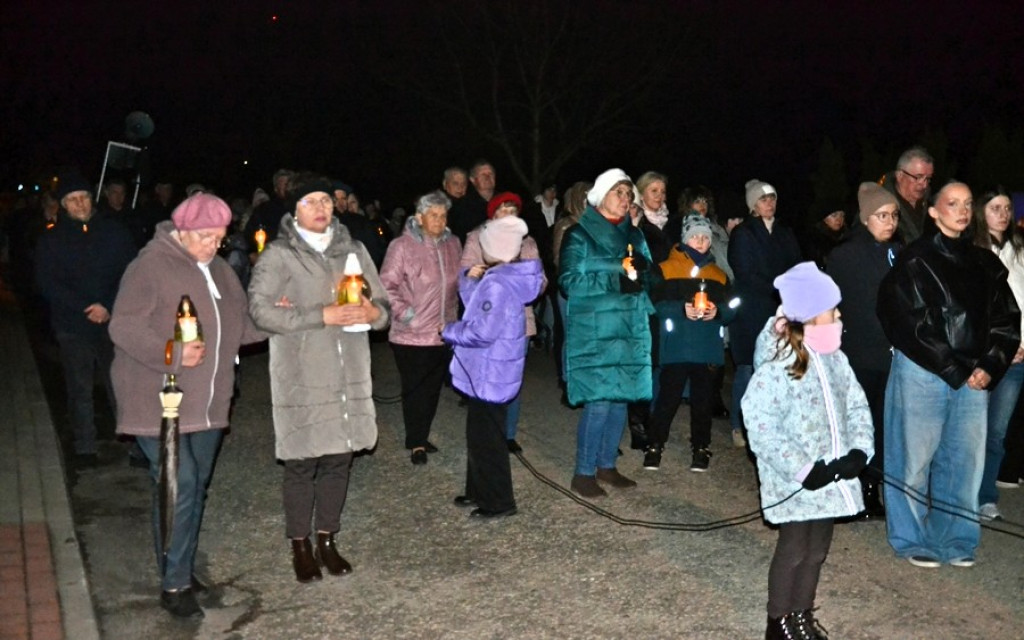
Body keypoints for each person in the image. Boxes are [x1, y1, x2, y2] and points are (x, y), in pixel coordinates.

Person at [109, 193, 265, 618]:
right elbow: (122, 326)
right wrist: (171, 353)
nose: (213, 245)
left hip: (209, 403)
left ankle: (178, 565)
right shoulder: (150, 265)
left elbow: (240, 329)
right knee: (182, 486)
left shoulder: (218, 271)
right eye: (204, 237)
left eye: (219, 238)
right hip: (160, 400)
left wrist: (277, 320)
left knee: (191, 490)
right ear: (181, 231)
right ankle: (174, 584)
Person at [248, 174, 390, 583]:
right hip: (303, 374)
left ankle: (327, 539)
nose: (321, 208)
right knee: (301, 462)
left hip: (348, 374)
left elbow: (382, 305)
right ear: (295, 211)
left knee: (339, 460)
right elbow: (258, 311)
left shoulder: (355, 250)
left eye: (326, 201)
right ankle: (300, 545)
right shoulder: (279, 255)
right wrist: (321, 315)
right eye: (311, 202)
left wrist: (372, 313)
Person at [878, 181, 1019, 568]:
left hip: (974, 376)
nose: (961, 210)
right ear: (934, 211)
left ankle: (955, 537)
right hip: (925, 372)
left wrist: (990, 366)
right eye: (951, 203)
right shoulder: (914, 260)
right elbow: (909, 322)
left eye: (968, 203)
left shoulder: (986, 264)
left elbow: (1006, 321)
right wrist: (956, 369)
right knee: (913, 458)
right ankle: (910, 537)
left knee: (964, 462)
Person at [742, 262, 873, 640]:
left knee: (817, 550)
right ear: (812, 316)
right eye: (833, 309)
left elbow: (857, 406)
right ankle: (778, 619)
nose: (840, 315)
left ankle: (801, 614)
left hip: (832, 478)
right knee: (795, 549)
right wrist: (800, 468)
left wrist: (860, 451)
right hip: (798, 481)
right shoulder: (779, 365)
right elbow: (760, 420)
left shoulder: (837, 360)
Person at [560, 169, 653, 497]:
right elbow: (569, 282)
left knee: (620, 401)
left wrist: (644, 277)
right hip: (596, 329)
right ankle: (583, 472)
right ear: (600, 197)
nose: (626, 199)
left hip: (628, 327)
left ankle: (607, 465)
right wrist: (616, 277)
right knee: (599, 402)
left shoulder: (637, 237)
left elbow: (650, 280)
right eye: (619, 193)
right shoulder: (580, 235)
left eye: (629, 194)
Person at [444, 215, 544, 518]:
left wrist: (448, 330)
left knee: (488, 441)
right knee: (478, 435)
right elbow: (479, 307)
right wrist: (470, 280)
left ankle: (498, 501)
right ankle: (478, 491)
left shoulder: (499, 284)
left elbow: (481, 331)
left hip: (490, 374)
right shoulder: (503, 279)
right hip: (490, 372)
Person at [34, 171, 136, 467]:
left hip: (112, 322)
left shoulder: (114, 231)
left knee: (120, 384)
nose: (79, 204)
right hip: (72, 324)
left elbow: (130, 271)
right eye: (72, 200)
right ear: (64, 205)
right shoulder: (51, 239)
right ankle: (85, 446)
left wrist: (106, 304)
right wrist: (85, 306)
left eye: (83, 198)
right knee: (79, 387)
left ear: (92, 199)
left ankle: (133, 443)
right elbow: (47, 282)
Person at [826, 182, 901, 518]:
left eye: (894, 215)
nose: (889, 222)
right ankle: (846, 489)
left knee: (882, 425)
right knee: (854, 422)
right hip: (857, 352)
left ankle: (873, 489)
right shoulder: (845, 253)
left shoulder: (898, 252)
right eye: (881, 215)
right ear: (866, 218)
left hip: (890, 355)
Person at [643, 213, 736, 471]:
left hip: (707, 348)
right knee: (668, 398)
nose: (700, 241)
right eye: (695, 235)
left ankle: (701, 447)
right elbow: (654, 304)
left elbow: (734, 305)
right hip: (676, 346)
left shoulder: (718, 274)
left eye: (705, 237)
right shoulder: (665, 269)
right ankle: (654, 445)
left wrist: (719, 312)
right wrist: (679, 310)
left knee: (703, 402)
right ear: (685, 239)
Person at [379, 190, 461, 465]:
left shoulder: (453, 244)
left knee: (433, 389)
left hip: (442, 332)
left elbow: (460, 284)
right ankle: (415, 441)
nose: (439, 220)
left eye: (443, 215)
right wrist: (407, 314)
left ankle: (422, 434)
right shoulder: (401, 246)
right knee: (415, 389)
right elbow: (386, 285)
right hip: (410, 335)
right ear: (419, 217)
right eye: (433, 215)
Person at [461, 192, 545, 452]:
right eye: (503, 210)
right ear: (493, 215)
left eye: (513, 211)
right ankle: (487, 433)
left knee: (512, 378)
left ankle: (507, 434)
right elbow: (465, 274)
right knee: (486, 376)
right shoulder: (476, 238)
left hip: (519, 322)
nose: (508, 216)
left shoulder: (527, 243)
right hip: (487, 319)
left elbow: (540, 281)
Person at [727, 179, 801, 449]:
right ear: (753, 205)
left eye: (772, 198)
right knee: (748, 367)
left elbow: (796, 264)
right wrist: (779, 288)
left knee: (777, 367)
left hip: (781, 310)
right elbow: (745, 272)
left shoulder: (784, 232)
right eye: (763, 199)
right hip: (751, 309)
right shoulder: (743, 233)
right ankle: (738, 424)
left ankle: (770, 423)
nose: (769, 203)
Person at [972, 186, 1024, 522]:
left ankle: (986, 496)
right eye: (995, 207)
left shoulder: (1019, 252)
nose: (1003, 214)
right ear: (981, 212)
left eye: (1006, 208)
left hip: (1016, 358)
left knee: (997, 432)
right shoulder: (971, 252)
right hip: (982, 356)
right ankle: (958, 494)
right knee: (969, 429)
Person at [881, 146, 934, 244]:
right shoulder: (877, 208)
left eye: (928, 178)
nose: (924, 184)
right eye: (918, 177)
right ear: (900, 175)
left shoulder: (933, 205)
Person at [449, 160, 495, 243]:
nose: (487, 177)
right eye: (483, 175)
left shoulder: (506, 202)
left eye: (490, 174)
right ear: (473, 180)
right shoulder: (461, 207)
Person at [800, 201, 847, 270]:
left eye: (842, 215)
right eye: (834, 215)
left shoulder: (847, 237)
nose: (839, 219)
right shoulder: (814, 240)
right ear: (824, 218)